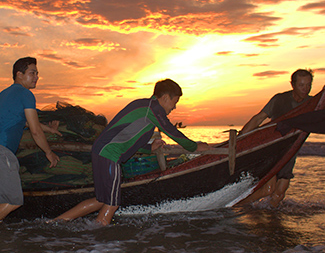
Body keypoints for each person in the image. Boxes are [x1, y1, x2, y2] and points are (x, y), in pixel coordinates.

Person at [54, 79, 210, 225]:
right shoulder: (153, 108)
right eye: (175, 102)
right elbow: (171, 131)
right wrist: (195, 147)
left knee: (101, 200)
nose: (174, 107)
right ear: (165, 98)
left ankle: (56, 223)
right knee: (112, 203)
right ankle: (98, 240)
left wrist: (150, 148)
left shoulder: (145, 109)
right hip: (110, 155)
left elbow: (130, 141)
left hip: (102, 151)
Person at [0, 57, 60, 226]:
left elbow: (26, 121)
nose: (36, 77)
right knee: (13, 201)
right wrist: (49, 153)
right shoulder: (26, 94)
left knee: (2, 204)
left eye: (37, 73)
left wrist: (50, 129)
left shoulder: (4, 94)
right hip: (2, 153)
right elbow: (34, 131)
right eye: (32, 73)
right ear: (19, 74)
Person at [239, 68, 314, 207]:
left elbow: (324, 111)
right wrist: (240, 138)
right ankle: (235, 207)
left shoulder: (311, 103)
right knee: (268, 190)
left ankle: (270, 221)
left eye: (309, 85)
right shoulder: (280, 99)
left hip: (290, 154)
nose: (306, 89)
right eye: (301, 85)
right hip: (271, 152)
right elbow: (258, 118)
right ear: (293, 84)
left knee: (279, 194)